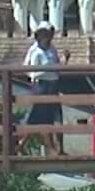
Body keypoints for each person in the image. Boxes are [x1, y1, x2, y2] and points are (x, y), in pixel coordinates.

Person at [22, 22, 67, 156]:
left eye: (49, 33)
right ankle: (50, 149)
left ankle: (60, 149)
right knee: (40, 118)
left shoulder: (52, 49)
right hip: (41, 86)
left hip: (53, 85)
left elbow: (57, 67)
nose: (47, 36)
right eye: (44, 33)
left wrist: (64, 61)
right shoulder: (35, 50)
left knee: (57, 117)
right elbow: (27, 68)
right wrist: (38, 73)